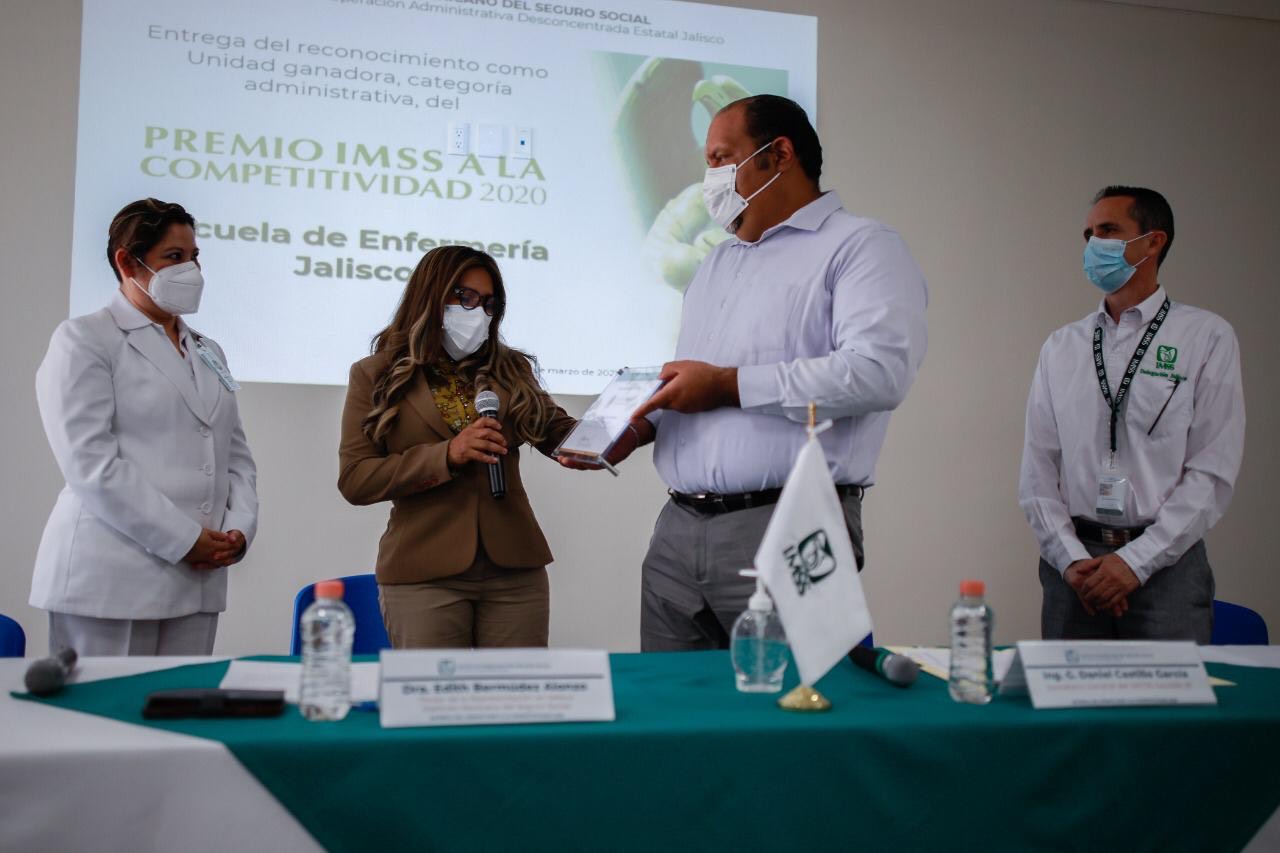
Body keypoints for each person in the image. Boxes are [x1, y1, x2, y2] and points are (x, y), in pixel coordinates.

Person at [602, 94, 929, 651]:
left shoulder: (861, 247)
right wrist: (637, 427)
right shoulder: (718, 261)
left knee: (795, 698)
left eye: (720, 159)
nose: (709, 179)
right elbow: (695, 385)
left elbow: (878, 373)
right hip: (678, 529)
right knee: (673, 699)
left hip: (790, 523)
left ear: (779, 155)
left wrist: (728, 384)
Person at [32, 198, 258, 655]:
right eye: (174, 257)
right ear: (127, 262)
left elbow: (235, 454)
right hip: (109, 575)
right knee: (106, 704)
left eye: (194, 256)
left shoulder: (208, 349)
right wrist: (184, 540)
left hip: (198, 579)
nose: (191, 270)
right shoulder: (85, 339)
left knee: (181, 701)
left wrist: (238, 531)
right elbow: (90, 464)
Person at [1019, 186, 1245, 642]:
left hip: (1166, 568)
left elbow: (1211, 472)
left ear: (1153, 242)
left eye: (1108, 231)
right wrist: (1071, 560)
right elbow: (1037, 471)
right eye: (1089, 235)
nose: (1093, 245)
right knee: (1070, 693)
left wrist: (1134, 564)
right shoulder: (1062, 347)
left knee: (1168, 694)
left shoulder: (1205, 337)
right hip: (1074, 572)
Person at [338, 245, 578, 648]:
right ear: (431, 294)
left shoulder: (510, 368)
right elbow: (356, 479)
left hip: (514, 571)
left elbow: (560, 433)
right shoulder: (375, 375)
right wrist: (447, 455)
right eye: (464, 297)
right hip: (423, 573)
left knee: (520, 690)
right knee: (433, 690)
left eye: (488, 303)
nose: (477, 312)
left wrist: (632, 415)